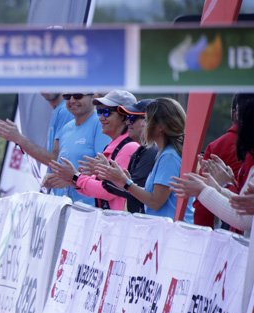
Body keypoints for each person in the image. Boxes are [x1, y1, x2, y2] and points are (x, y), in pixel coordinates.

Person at [96, 98, 193, 221]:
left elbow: (155, 202)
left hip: (171, 233)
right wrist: (125, 182)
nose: (143, 124)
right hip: (166, 231)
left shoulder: (169, 156)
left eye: (147, 120)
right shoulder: (165, 153)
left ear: (160, 127)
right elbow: (152, 196)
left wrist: (126, 183)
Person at [172, 99, 254, 236]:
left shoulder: (220, 145)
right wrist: (218, 187)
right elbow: (244, 204)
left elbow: (243, 218)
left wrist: (205, 190)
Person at [48, 90, 138, 210]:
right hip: (102, 219)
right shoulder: (115, 145)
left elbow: (108, 191)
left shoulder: (129, 147)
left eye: (106, 113)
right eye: (99, 112)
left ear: (124, 116)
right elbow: (100, 185)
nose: (101, 117)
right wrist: (72, 180)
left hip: (115, 222)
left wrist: (75, 177)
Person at [0, 92, 73, 196]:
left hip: (71, 198)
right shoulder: (57, 111)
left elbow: (56, 160)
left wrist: (19, 139)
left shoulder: (65, 111)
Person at [192, 93, 248, 228]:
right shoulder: (220, 146)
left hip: (233, 230)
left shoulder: (219, 146)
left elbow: (203, 204)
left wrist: (202, 234)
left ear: (235, 113)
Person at [102, 99, 158, 213]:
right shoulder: (142, 149)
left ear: (148, 121)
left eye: (132, 118)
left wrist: (111, 178)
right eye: (127, 118)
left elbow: (135, 192)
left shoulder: (152, 151)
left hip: (150, 224)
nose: (127, 122)